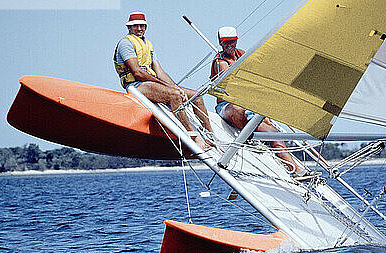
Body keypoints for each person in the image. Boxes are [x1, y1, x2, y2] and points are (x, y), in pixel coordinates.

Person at [211, 26, 307, 177]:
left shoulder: (242, 54)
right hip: (227, 105)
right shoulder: (220, 63)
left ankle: (296, 170)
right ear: (220, 43)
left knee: (274, 135)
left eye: (232, 42)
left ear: (236, 40)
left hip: (248, 105)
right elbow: (231, 90)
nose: (229, 45)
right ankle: (250, 140)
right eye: (225, 43)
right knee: (238, 110)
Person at [113, 12, 212, 150]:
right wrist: (171, 90)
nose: (140, 29)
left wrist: (175, 87)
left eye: (142, 26)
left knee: (197, 96)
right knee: (174, 96)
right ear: (129, 27)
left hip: (151, 82)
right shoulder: (126, 44)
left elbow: (160, 72)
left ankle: (210, 136)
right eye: (136, 26)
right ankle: (193, 136)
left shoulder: (147, 44)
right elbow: (137, 72)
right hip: (136, 85)